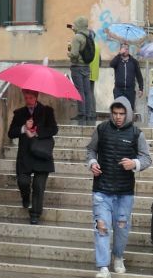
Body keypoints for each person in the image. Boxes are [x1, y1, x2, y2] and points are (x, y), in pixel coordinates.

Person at [85, 96, 152, 278]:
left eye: (121, 113)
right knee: (101, 227)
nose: (118, 117)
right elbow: (90, 150)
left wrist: (134, 163)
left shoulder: (137, 134)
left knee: (122, 228)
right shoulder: (101, 129)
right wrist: (92, 163)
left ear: (128, 114)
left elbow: (147, 158)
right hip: (102, 189)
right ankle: (103, 268)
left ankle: (118, 256)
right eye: (115, 113)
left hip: (124, 192)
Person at [8, 89, 58, 225]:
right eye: (26, 98)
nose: (28, 100)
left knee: (38, 186)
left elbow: (54, 129)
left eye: (30, 98)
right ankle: (25, 197)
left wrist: (37, 132)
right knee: (23, 182)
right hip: (25, 155)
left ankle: (35, 214)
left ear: (36, 97)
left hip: (42, 154)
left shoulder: (47, 111)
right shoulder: (19, 113)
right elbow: (11, 133)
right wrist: (24, 128)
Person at [69, 16, 97, 123]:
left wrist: (69, 53)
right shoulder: (90, 35)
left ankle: (81, 114)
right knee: (87, 91)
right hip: (87, 66)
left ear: (78, 25)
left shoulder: (77, 37)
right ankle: (88, 114)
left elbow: (74, 54)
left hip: (77, 67)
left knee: (79, 91)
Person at [110, 42, 143, 110]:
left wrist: (141, 88)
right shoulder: (117, 60)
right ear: (120, 50)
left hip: (130, 91)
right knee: (118, 109)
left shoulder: (134, 61)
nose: (125, 50)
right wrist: (119, 54)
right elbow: (111, 64)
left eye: (127, 49)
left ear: (129, 50)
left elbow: (139, 76)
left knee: (129, 110)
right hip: (118, 90)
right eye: (123, 49)